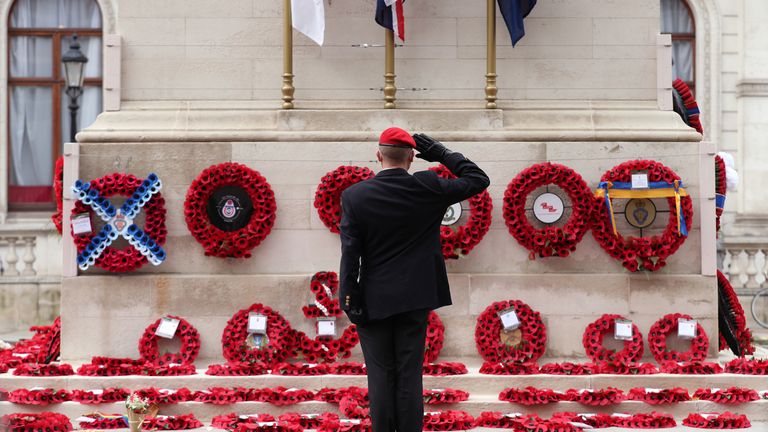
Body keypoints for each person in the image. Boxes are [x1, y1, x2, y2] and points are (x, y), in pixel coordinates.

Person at [339, 127, 490, 432]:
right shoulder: (428, 186)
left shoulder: (355, 195)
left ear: (378, 155)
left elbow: (350, 254)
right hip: (415, 297)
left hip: (373, 298)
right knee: (408, 374)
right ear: (411, 158)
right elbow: (478, 179)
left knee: (380, 375)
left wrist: (348, 298)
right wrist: (441, 153)